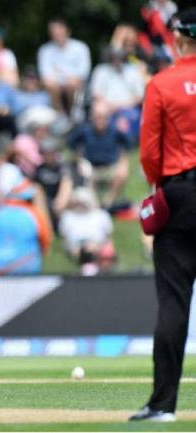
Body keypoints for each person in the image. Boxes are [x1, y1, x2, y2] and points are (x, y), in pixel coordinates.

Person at [130, 7, 196, 423]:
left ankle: (162, 405)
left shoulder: (162, 82)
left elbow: (149, 153)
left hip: (181, 194)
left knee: (173, 301)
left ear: (178, 38)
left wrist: (161, 186)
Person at [37, 19, 91, 116]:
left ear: (68, 32)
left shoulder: (81, 47)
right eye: (55, 33)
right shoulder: (45, 50)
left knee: (71, 83)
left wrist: (63, 76)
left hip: (75, 83)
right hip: (56, 84)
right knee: (50, 84)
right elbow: (45, 74)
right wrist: (64, 78)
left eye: (60, 33)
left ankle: (73, 113)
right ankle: (60, 115)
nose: (57, 35)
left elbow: (84, 72)